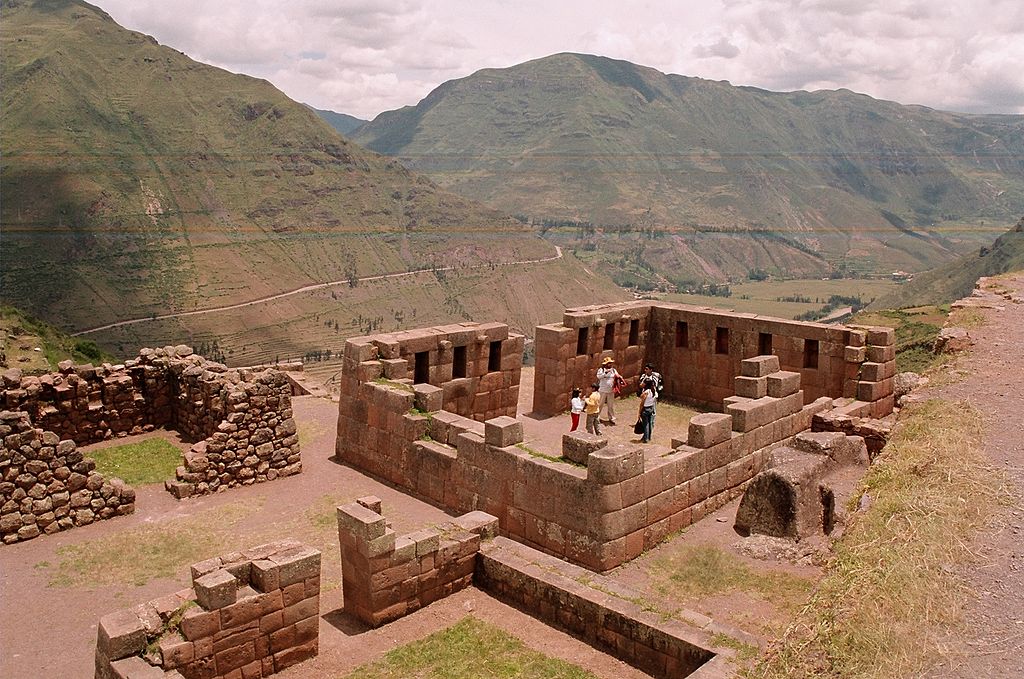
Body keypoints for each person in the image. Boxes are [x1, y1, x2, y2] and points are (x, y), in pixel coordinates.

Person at [596, 357, 621, 425]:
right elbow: (598, 377)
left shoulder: (613, 370)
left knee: (610, 405)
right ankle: (597, 417)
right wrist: (605, 373)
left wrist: (619, 377)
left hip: (611, 390)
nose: (610, 364)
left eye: (611, 363)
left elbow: (617, 375)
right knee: (600, 404)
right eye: (609, 363)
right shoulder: (601, 370)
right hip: (603, 390)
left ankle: (611, 418)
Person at [637, 378, 656, 443]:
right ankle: (649, 437)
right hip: (651, 408)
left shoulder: (646, 392)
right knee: (649, 423)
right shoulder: (653, 391)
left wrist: (639, 412)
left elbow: (642, 403)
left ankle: (646, 438)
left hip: (645, 409)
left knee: (646, 424)